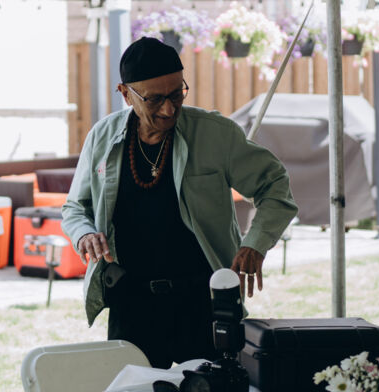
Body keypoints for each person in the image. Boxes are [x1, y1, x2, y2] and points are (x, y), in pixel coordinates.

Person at [61, 36, 298, 367]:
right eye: (155, 99)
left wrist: (255, 243)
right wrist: (84, 233)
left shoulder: (216, 134)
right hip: (131, 302)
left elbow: (275, 185)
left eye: (177, 94)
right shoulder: (102, 137)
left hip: (203, 301)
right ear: (125, 94)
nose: (169, 109)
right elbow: (75, 207)